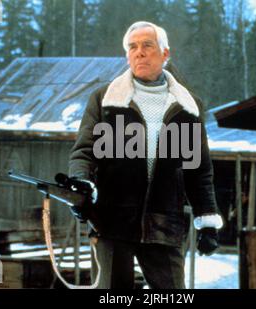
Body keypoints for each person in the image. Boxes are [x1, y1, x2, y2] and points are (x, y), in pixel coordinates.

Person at [68, 21, 223, 289]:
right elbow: (84, 152)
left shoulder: (188, 107)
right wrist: (80, 184)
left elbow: (198, 170)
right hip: (111, 221)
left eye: (147, 46)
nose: (139, 52)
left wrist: (207, 220)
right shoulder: (105, 101)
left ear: (165, 53)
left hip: (165, 223)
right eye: (133, 47)